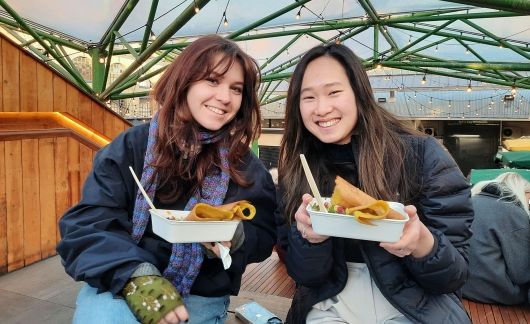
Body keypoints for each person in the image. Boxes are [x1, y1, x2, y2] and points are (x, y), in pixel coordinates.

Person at [57, 35, 277, 324]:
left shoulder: (244, 164)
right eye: (212, 80)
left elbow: (264, 233)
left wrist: (235, 239)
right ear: (184, 80)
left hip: (201, 296)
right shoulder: (131, 147)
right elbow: (90, 223)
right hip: (123, 282)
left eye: (236, 89)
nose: (225, 97)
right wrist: (138, 278)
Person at [276, 43, 474, 323]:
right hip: (329, 303)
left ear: (359, 93)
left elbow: (454, 276)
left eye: (334, 92)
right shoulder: (299, 167)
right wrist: (310, 239)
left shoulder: (421, 154)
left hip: (414, 302)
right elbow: (305, 276)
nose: (322, 108)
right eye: (308, 97)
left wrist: (422, 244)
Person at [463, 172, 530, 305]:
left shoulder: (472, 201)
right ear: (522, 191)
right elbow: (522, 274)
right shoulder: (515, 214)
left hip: (462, 286)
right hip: (493, 292)